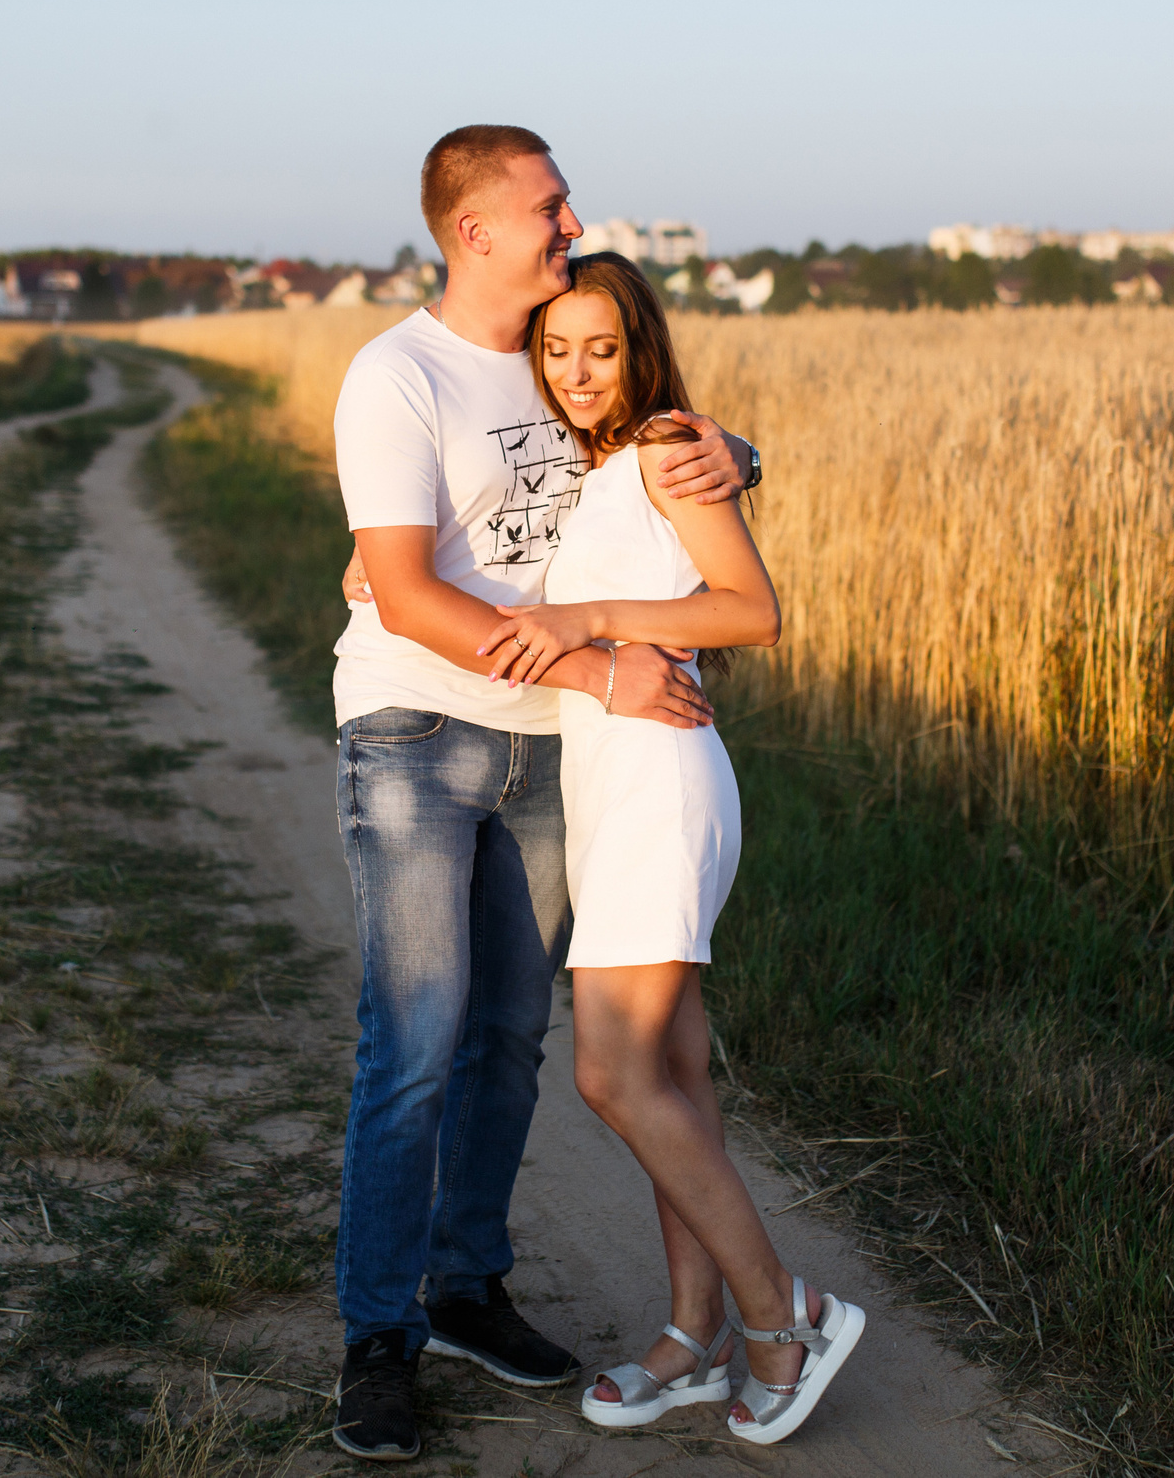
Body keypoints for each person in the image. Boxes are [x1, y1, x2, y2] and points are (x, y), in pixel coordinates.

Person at [327, 125, 753, 1462]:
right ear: (475, 231)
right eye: (549, 205)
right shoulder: (395, 376)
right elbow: (398, 588)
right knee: (416, 1038)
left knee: (507, 1039)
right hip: (416, 732)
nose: (572, 221)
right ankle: (379, 1337)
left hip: (550, 746)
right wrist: (611, 658)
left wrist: (735, 452)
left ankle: (466, 1287)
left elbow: (641, 434)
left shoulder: (552, 346)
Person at [473, 252, 865, 1445]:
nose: (577, 373)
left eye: (600, 348)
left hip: (658, 787)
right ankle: (693, 1336)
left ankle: (781, 1314)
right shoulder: (603, 468)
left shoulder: (659, 448)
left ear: (637, 344)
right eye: (556, 351)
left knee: (610, 1074)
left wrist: (588, 616)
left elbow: (752, 609)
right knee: (673, 1081)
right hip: (615, 786)